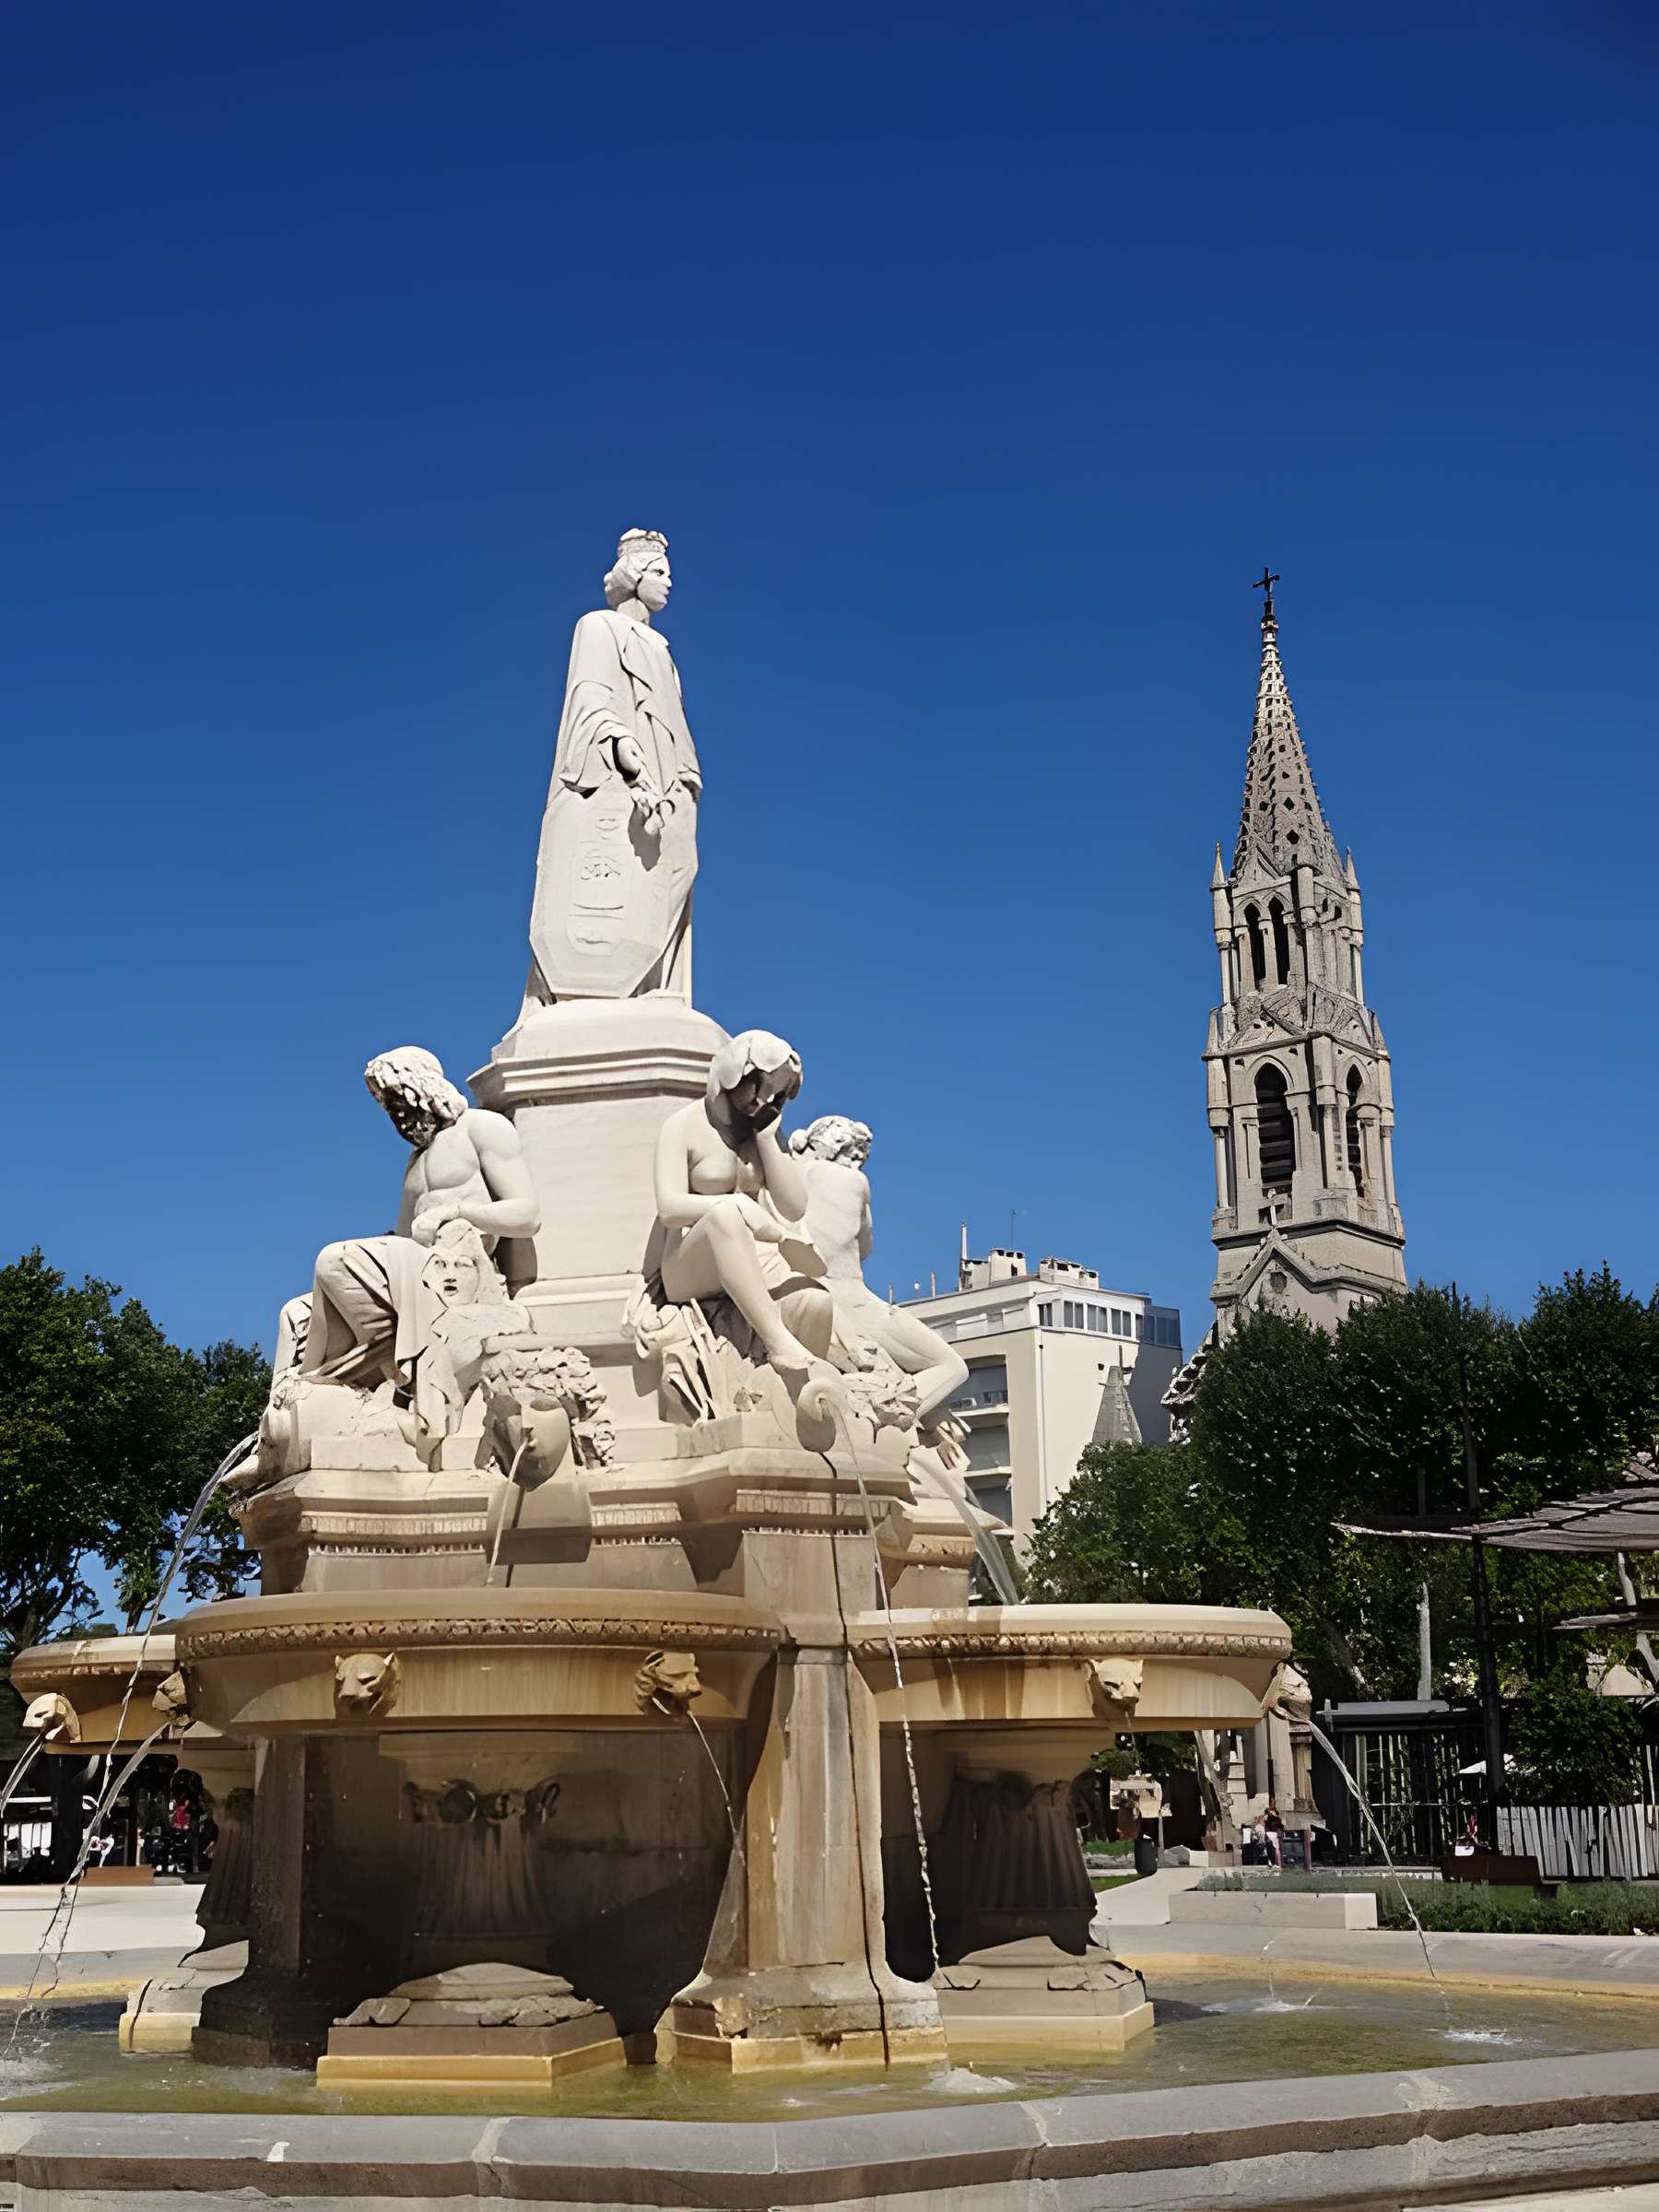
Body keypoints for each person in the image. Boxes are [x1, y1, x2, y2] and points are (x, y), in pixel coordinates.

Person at [525, 528, 702, 1004]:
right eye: (661, 572)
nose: (670, 583)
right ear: (636, 575)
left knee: (681, 866)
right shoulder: (598, 626)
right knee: (622, 872)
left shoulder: (663, 651)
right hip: (623, 772)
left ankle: (655, 987)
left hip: (674, 778)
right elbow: (590, 692)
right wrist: (621, 746)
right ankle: (610, 992)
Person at [652, 1030, 830, 1384]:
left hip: (758, 1262)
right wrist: (736, 1203)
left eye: (776, 1095)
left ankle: (797, 1392)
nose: (764, 1100)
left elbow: (795, 1207)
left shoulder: (761, 1130)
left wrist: (766, 1139)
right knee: (724, 1216)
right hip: (690, 1265)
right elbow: (669, 1208)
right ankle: (778, 1343)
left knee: (816, 1302)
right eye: (760, 1087)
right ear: (735, 1073)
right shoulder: (682, 1126)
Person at [1262, 1798, 1285, 1868]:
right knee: (1270, 1847)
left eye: (1274, 1803)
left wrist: (1276, 1816)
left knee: (1276, 1848)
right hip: (1269, 1832)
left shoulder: (1276, 1813)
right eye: (1272, 1803)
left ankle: (1277, 1864)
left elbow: (1280, 1823)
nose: (1273, 1804)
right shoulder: (1267, 1812)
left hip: (1275, 1833)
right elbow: (1266, 1820)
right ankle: (1270, 1861)